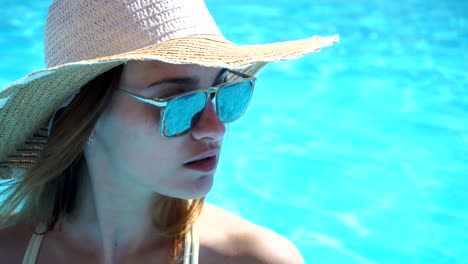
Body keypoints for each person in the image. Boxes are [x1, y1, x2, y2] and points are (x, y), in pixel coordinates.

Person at [0, 0, 338, 263]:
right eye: (179, 101)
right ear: (84, 117)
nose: (215, 129)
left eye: (224, 93)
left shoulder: (256, 259)